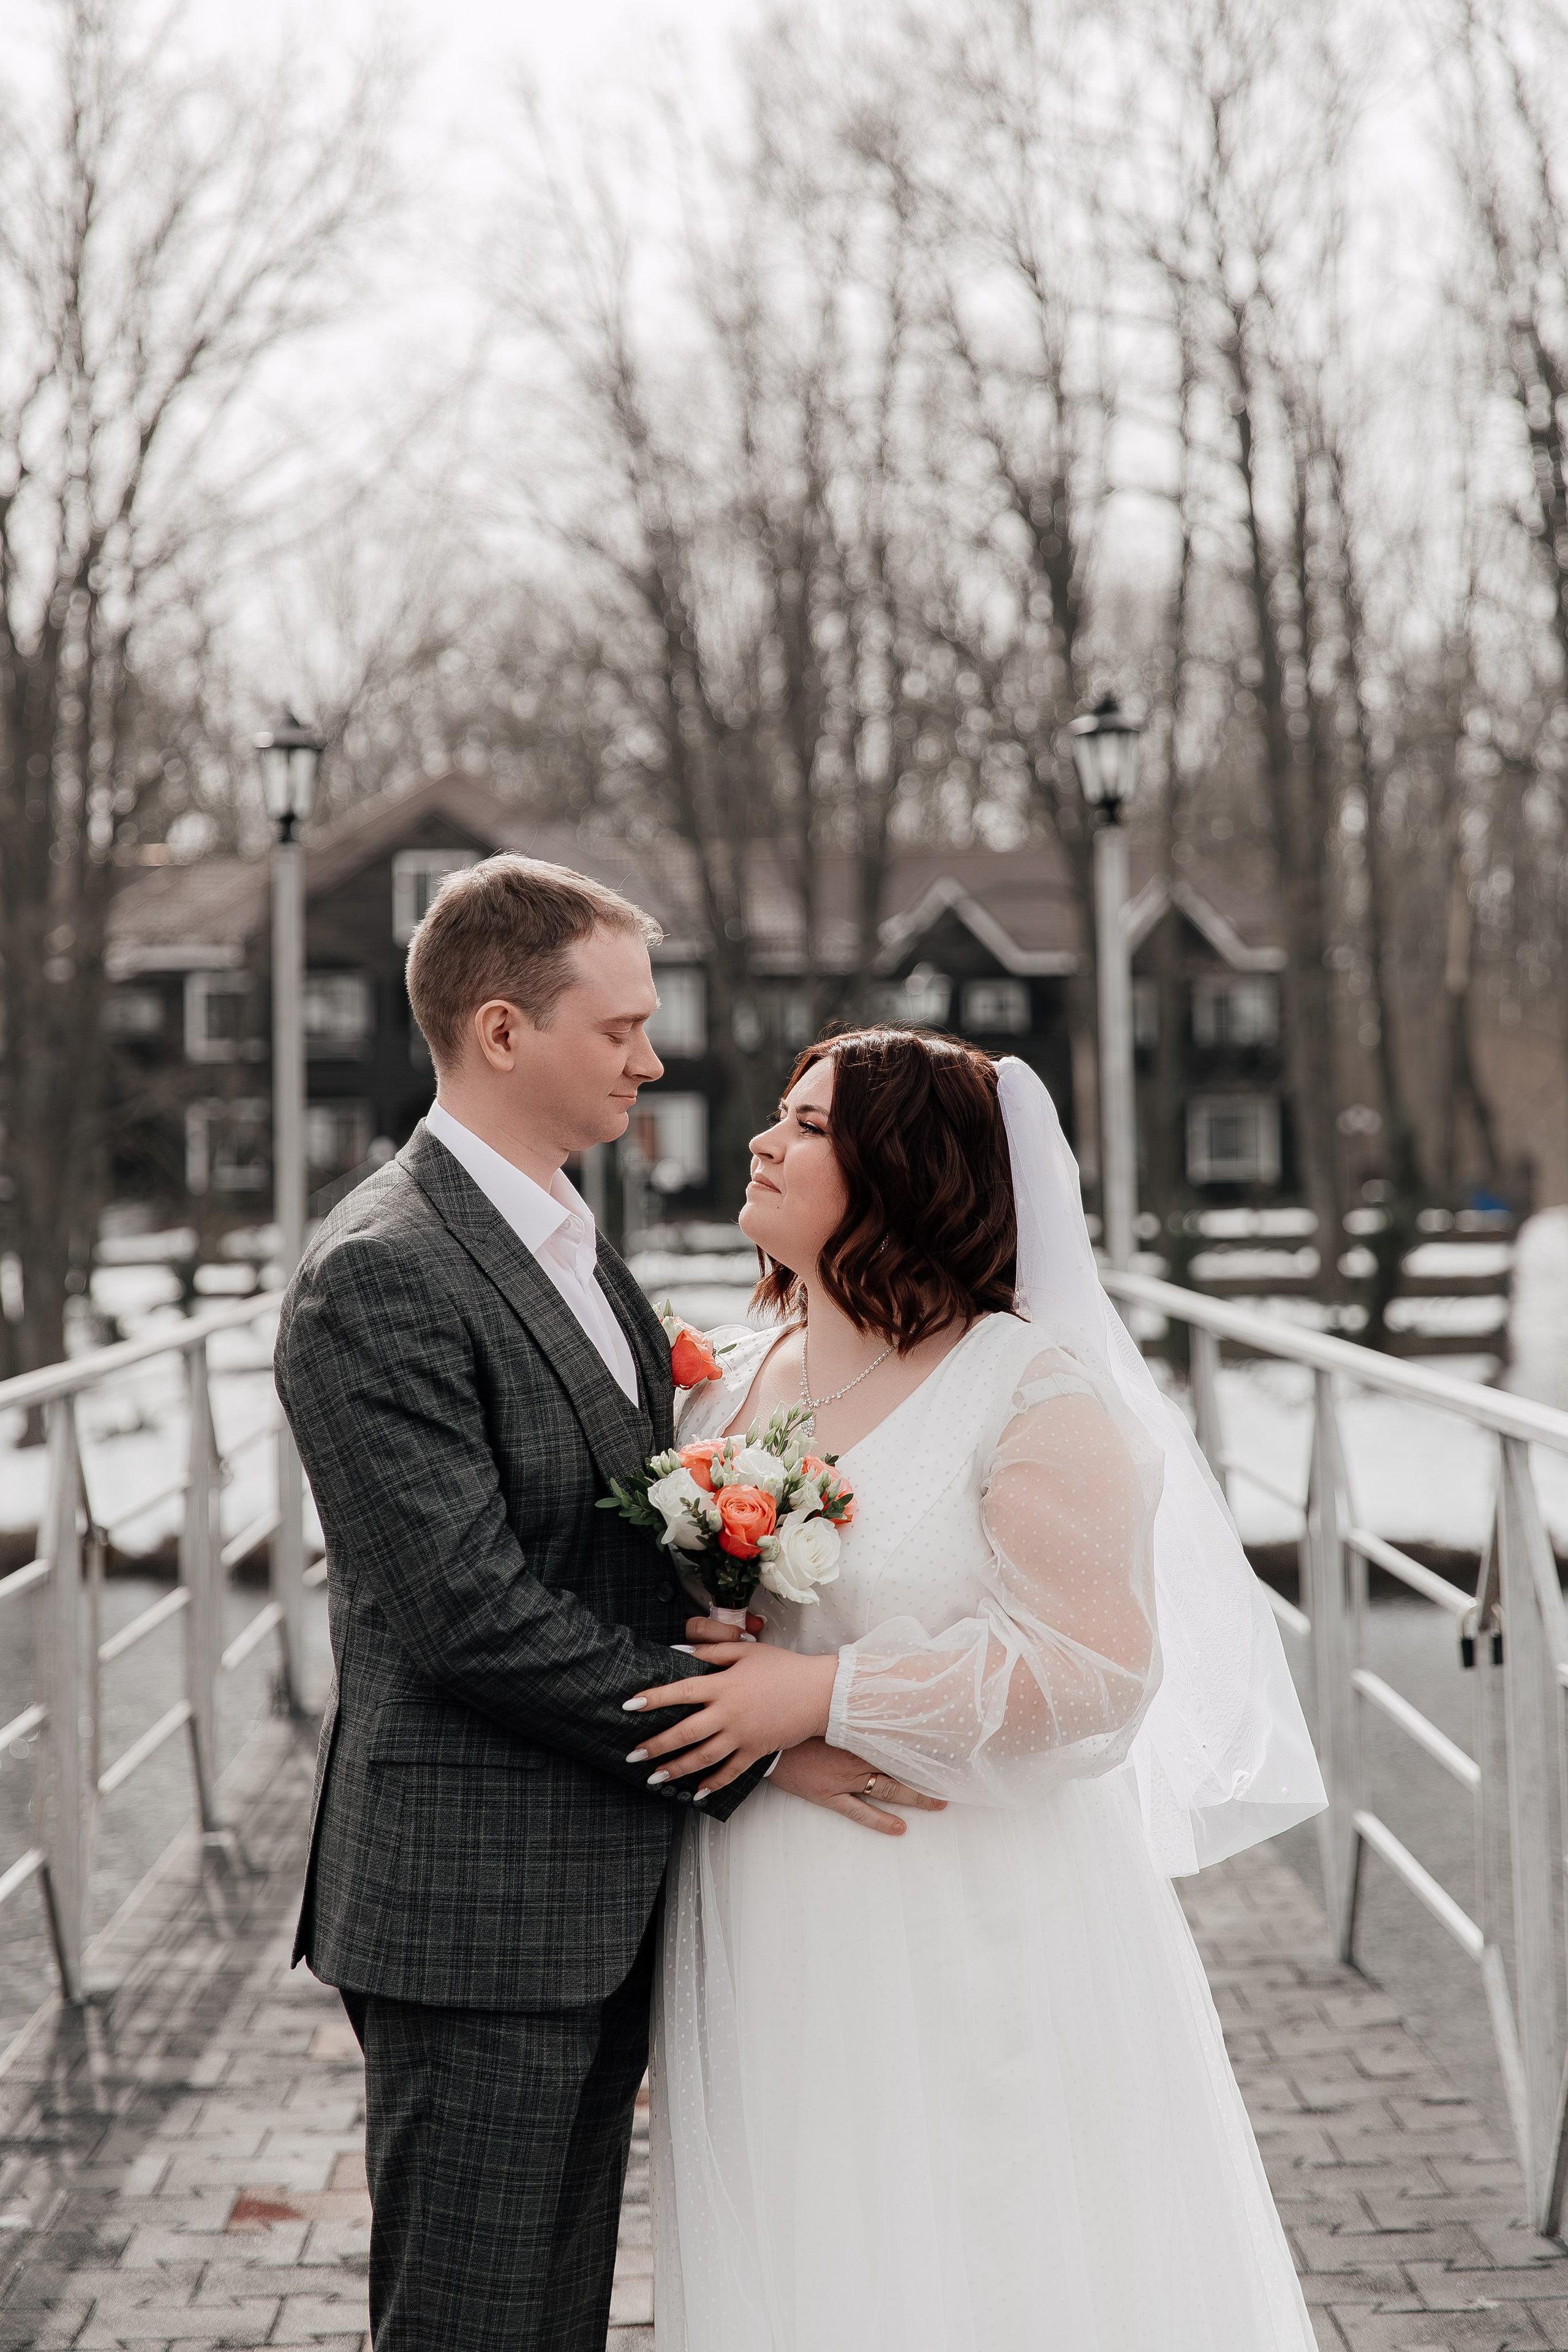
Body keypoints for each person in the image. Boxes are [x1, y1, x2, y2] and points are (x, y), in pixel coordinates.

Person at [273, 858, 937, 2352]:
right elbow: (469, 1615)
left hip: (588, 1891)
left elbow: (603, 1531)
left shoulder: (565, 1238)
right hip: (476, 1909)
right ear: (503, 1032)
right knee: (471, 2325)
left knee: (551, 2322)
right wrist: (751, 1738)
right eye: (621, 1025)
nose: (652, 1055)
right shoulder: (380, 1274)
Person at [620, 1027, 1327, 2351]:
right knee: (802, 2235)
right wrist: (768, 1733)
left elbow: (1090, 1671)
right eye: (777, 1115)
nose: (764, 1141)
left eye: (809, 1125)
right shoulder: (724, 1384)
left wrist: (821, 1698)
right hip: (762, 1894)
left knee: (979, 2243)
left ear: (904, 1170)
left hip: (958, 1902)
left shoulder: (1024, 1387)